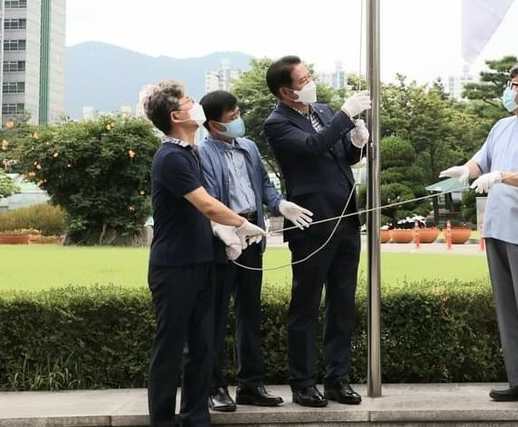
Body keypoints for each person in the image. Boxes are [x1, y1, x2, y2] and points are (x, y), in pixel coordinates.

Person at [439, 63, 518, 408]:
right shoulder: (501, 126)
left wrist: (502, 176)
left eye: (514, 85)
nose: (508, 90)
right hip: (497, 227)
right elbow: (481, 161)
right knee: (507, 307)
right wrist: (464, 171)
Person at [142, 80, 266, 427]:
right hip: (174, 267)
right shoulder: (171, 157)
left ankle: (196, 417)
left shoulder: (191, 152)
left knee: (202, 345)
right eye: (189, 101)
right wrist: (242, 223)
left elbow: (202, 214)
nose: (195, 105)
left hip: (202, 262)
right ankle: (163, 420)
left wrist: (224, 232)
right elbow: (207, 205)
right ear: (176, 115)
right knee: (171, 347)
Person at [263, 56, 371, 408]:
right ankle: (303, 382)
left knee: (342, 303)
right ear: (285, 90)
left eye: (309, 75)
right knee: (306, 305)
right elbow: (312, 148)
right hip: (312, 222)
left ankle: (338, 379)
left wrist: (357, 141)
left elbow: (341, 155)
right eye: (303, 79)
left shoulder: (322, 110)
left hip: (346, 218)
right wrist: (345, 115)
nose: (311, 82)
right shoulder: (277, 123)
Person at [198, 90, 314, 412]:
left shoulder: (248, 148)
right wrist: (231, 230)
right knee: (217, 315)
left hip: (253, 237)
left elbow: (263, 185)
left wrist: (280, 204)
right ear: (214, 124)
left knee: (249, 314)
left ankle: (251, 384)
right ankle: (215, 387)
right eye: (232, 117)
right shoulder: (203, 153)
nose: (238, 120)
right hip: (224, 241)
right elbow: (208, 198)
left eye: (237, 113)